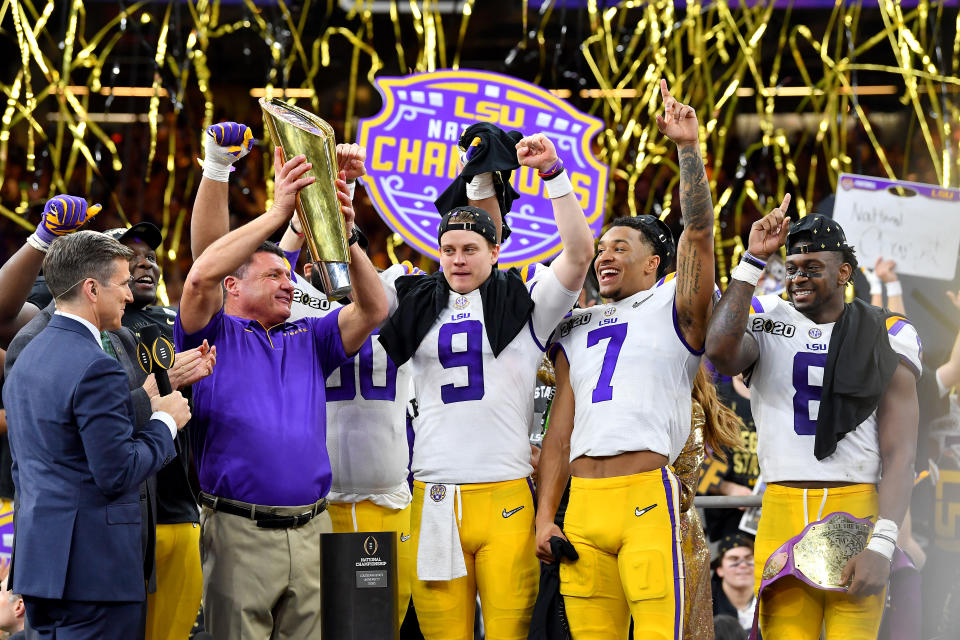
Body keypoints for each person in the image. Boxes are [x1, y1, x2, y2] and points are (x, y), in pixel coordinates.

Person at [376, 131, 595, 640]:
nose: (457, 258)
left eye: (470, 248)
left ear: (495, 250)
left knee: (508, 633)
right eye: (448, 248)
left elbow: (580, 252)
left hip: (505, 495)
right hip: (432, 494)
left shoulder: (525, 303)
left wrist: (554, 176)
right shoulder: (417, 301)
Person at [176, 133, 388, 638]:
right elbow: (200, 275)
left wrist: (348, 236)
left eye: (288, 277)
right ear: (235, 285)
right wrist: (277, 214)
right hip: (239, 531)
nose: (290, 284)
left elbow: (375, 309)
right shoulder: (212, 333)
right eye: (274, 275)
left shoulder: (309, 337)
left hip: (315, 528)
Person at [535, 80, 717, 640]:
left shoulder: (674, 303)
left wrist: (688, 150)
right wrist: (546, 514)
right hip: (583, 505)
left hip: (646, 494)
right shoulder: (577, 323)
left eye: (621, 247)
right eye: (603, 247)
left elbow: (700, 233)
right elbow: (559, 432)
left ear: (654, 264)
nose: (606, 256)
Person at [704, 203, 920, 639]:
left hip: (855, 506)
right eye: (793, 266)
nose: (798, 277)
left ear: (844, 273)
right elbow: (720, 353)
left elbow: (901, 454)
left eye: (813, 267)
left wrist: (883, 542)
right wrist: (751, 262)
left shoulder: (888, 331)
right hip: (782, 506)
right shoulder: (766, 316)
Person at [2, 231, 191, 638]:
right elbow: (117, 472)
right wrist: (165, 423)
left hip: (40, 566)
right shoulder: (96, 365)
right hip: (96, 571)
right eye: (122, 283)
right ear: (91, 289)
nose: (128, 295)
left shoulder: (28, 351)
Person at [277, 141, 421, 629]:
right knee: (324, 626)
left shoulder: (395, 289)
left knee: (378, 627)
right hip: (323, 499)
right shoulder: (300, 303)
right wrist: (316, 209)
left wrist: (346, 196)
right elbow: (274, 268)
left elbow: (365, 286)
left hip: (385, 494)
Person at [103, 221, 213, 640]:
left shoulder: (177, 321)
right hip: (122, 515)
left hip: (181, 510)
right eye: (132, 257)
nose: (145, 264)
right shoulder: (95, 324)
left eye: (151, 257)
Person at [710, 534, 756, 631]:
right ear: (720, 570)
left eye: (748, 558)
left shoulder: (772, 599)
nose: (743, 565)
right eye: (734, 559)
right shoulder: (706, 604)